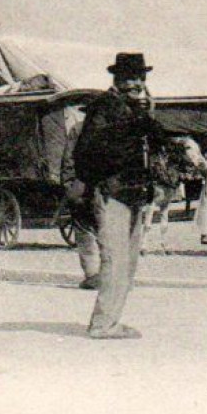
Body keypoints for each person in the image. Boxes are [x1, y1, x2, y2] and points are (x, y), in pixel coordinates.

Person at [72, 52, 168, 340]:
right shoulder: (104, 108)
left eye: (140, 78)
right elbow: (87, 153)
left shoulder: (135, 108)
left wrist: (146, 116)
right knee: (115, 260)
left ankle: (111, 320)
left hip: (134, 192)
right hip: (112, 192)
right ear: (117, 79)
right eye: (130, 78)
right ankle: (103, 325)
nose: (136, 83)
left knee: (127, 262)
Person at [58, 106, 100, 290]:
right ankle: (111, 276)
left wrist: (69, 187)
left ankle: (92, 275)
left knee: (84, 230)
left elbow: (68, 161)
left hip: (84, 189)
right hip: (108, 192)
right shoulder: (114, 131)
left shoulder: (77, 129)